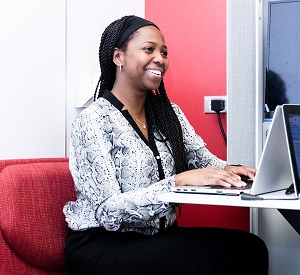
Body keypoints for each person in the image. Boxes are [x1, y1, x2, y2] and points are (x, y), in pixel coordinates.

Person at [63, 15, 269, 274]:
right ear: (118, 57)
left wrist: (231, 170)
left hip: (154, 236)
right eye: (149, 49)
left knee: (252, 248)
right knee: (218, 259)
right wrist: (178, 182)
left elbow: (201, 159)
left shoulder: (168, 113)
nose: (160, 59)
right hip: (101, 242)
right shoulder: (93, 121)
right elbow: (108, 212)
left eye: (164, 52)